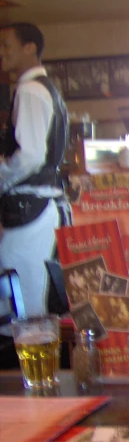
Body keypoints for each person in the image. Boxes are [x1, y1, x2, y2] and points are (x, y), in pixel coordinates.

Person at [0, 23, 68, 337]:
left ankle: (32, 380)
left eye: (6, 44)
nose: (1, 52)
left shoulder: (30, 89)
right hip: (39, 205)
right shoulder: (44, 87)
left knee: (24, 304)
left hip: (29, 208)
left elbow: (29, 156)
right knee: (29, 297)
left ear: (30, 47)